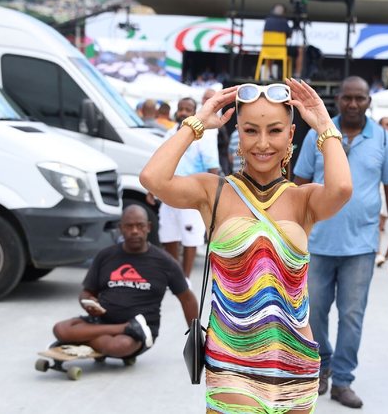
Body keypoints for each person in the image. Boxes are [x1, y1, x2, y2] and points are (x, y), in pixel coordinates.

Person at [140, 79, 352, 413]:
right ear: (238, 134)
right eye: (251, 131)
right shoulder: (214, 192)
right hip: (231, 357)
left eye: (275, 130)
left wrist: (325, 126)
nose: (263, 143)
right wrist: (197, 123)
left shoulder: (303, 199)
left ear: (291, 135)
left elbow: (341, 188)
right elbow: (153, 178)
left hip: (294, 357)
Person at [294, 76, 388, 408]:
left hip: (362, 246)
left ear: (369, 101)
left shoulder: (384, 140)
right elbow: (298, 184)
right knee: (313, 313)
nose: (353, 104)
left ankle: (343, 380)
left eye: (360, 98)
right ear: (337, 100)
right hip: (317, 243)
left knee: (352, 315)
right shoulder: (317, 134)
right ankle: (322, 364)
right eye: (347, 98)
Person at [51, 205, 198, 359]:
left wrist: (195, 338)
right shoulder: (105, 256)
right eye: (129, 226)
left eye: (140, 226)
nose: (134, 231)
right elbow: (87, 292)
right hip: (101, 321)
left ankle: (81, 340)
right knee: (60, 329)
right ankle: (120, 329)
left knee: (119, 345)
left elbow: (187, 299)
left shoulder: (165, 262)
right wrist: (87, 302)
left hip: (140, 330)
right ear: (121, 228)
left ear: (148, 227)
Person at [156, 97, 220, 278]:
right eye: (181, 108)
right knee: (168, 235)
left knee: (190, 238)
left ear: (194, 112)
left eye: (188, 109)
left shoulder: (204, 137)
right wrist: (151, 191)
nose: (183, 112)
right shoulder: (170, 134)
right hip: (167, 192)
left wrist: (212, 196)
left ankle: (185, 279)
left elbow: (213, 167)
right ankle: (174, 277)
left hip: (191, 195)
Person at [203, 88, 232, 175]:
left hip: (218, 169)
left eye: (210, 98)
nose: (208, 101)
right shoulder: (195, 119)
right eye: (206, 98)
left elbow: (224, 149)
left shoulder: (221, 121)